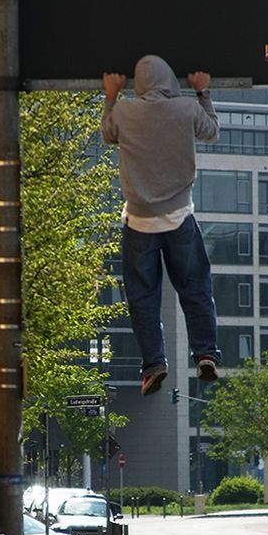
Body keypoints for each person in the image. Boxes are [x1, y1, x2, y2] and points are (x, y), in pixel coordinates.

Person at [101, 54, 222, 396]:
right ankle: (205, 354)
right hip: (179, 217)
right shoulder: (185, 110)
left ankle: (154, 364)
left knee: (143, 298)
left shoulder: (124, 111)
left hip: (138, 221)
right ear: (170, 79)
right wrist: (203, 92)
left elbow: (108, 134)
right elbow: (212, 132)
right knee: (195, 289)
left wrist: (111, 94)